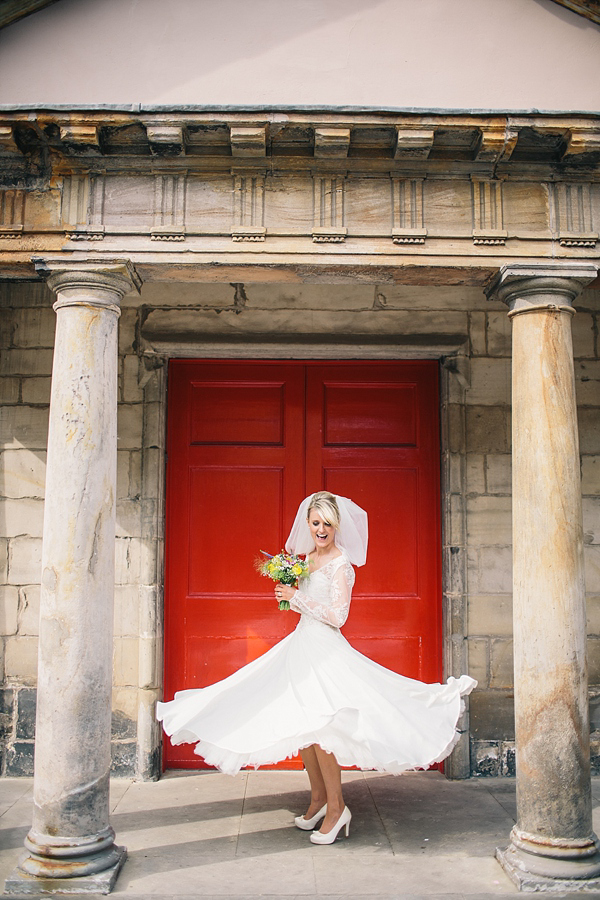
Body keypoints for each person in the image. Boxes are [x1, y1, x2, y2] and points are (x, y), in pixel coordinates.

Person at [156, 491, 476, 845]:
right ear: (307, 524)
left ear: (336, 526)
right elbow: (305, 607)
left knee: (322, 731)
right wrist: (287, 596)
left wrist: (297, 598)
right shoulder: (305, 559)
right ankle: (319, 799)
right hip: (300, 646)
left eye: (326, 524)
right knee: (303, 728)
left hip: (324, 651)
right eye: (315, 523)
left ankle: (339, 810)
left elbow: (338, 616)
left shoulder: (342, 565)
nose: (321, 530)